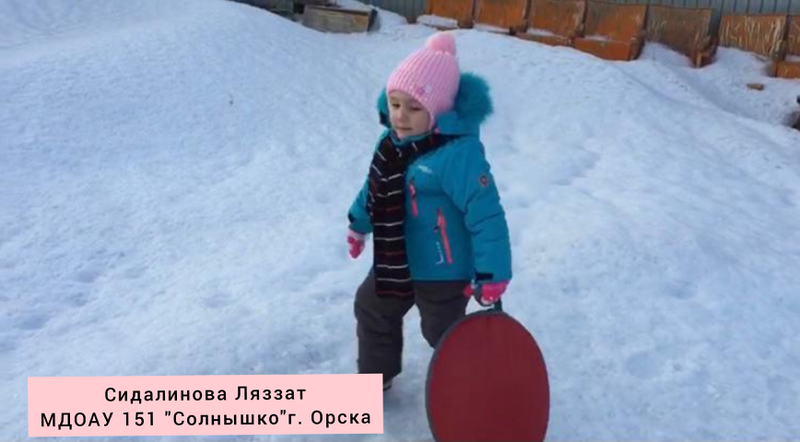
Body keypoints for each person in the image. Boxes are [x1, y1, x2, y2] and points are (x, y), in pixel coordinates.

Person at [346, 32, 512, 391]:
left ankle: (473, 385)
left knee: (442, 331)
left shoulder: (457, 154)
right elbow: (374, 189)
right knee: (372, 308)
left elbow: (486, 217)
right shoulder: (390, 145)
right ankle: (376, 378)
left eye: (414, 107)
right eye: (395, 103)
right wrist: (358, 224)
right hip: (395, 259)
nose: (401, 116)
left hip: (443, 268)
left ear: (438, 111)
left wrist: (491, 273)